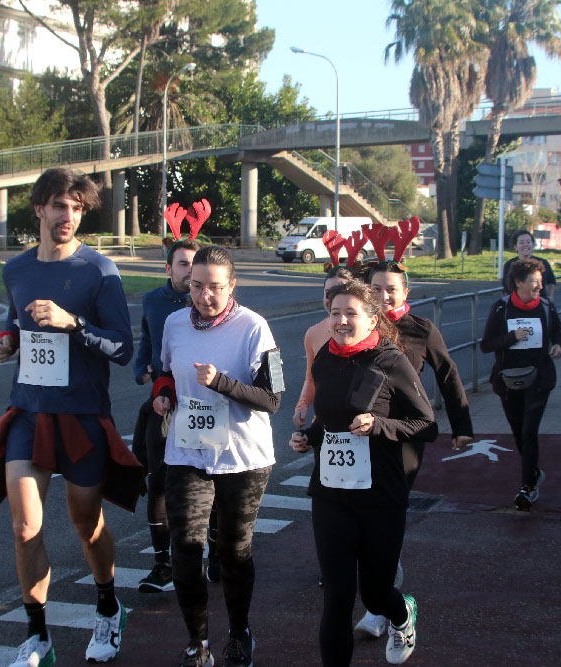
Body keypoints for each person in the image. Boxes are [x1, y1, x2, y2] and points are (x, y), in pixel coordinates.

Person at [0, 168, 141, 666]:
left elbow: (122, 349)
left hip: (82, 415)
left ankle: (109, 605)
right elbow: (14, 324)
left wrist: (74, 324)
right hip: (28, 411)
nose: (67, 215)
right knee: (25, 527)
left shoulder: (100, 271)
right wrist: (3, 344)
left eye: (75, 207)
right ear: (39, 210)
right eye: (58, 205)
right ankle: (37, 637)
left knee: (85, 524)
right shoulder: (16, 269)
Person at [288, 280, 437, 666]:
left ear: (373, 319)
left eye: (351, 313)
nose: (340, 320)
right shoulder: (325, 358)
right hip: (331, 494)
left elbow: (426, 424)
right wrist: (308, 437)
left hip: (380, 496)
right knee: (337, 595)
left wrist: (380, 426)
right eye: (335, 312)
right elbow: (331, 422)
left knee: (375, 594)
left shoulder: (391, 361)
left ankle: (401, 613)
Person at [152, 245, 284, 667]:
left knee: (233, 551)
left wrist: (224, 383)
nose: (204, 296)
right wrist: (164, 394)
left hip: (243, 457)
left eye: (214, 288)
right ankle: (197, 642)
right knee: (186, 546)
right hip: (187, 451)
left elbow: (274, 398)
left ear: (232, 287)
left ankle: (240, 630)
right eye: (196, 286)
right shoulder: (174, 323)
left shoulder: (255, 328)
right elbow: (164, 372)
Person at [351, 260, 474, 639]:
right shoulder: (358, 325)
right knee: (360, 517)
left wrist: (462, 427)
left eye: (392, 289)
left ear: (406, 292)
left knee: (386, 519)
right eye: (376, 288)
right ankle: (382, 598)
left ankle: (381, 607)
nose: (384, 296)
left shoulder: (421, 330)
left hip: (405, 436)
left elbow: (449, 374)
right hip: (361, 433)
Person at [131, 237, 205, 593]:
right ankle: (162, 563)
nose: (189, 270)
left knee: (205, 478)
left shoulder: (207, 302)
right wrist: (140, 367)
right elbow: (147, 342)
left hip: (203, 403)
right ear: (168, 268)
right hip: (162, 399)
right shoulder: (153, 302)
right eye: (182, 264)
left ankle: (212, 552)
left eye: (195, 264)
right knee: (157, 480)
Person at [481, 257, 561, 511]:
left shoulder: (547, 307)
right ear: (518, 282)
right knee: (519, 432)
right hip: (508, 380)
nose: (539, 287)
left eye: (541, 283)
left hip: (539, 378)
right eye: (534, 283)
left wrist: (558, 345)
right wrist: (511, 337)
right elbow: (486, 345)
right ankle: (534, 471)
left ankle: (527, 486)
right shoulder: (501, 308)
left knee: (530, 431)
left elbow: (558, 332)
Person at [292, 264, 358, 429]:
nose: (333, 298)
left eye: (341, 291)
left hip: (362, 424)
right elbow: (311, 377)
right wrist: (302, 405)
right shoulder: (313, 333)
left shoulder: (367, 331)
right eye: (328, 293)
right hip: (326, 426)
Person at [501, 230, 556, 301]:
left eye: (528, 242)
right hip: (516, 304)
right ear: (515, 246)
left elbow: (551, 281)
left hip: (540, 303)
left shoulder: (543, 263)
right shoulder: (509, 264)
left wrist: (550, 296)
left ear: (533, 245)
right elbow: (506, 286)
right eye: (521, 242)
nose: (525, 245)